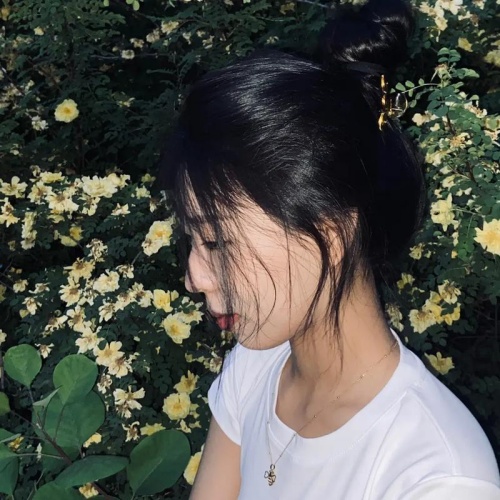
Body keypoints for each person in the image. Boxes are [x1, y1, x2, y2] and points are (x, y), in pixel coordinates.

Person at [157, 0, 500, 497]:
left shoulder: (436, 477)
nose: (194, 277)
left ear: (333, 231)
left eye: (217, 240)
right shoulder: (256, 368)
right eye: (193, 238)